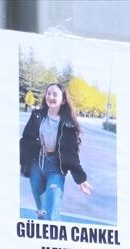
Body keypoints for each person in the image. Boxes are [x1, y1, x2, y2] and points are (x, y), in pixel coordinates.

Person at [19, 83, 92, 221]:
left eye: (55, 94)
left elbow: (71, 153)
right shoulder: (37, 116)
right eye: (48, 93)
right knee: (42, 212)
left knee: (51, 215)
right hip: (36, 166)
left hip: (55, 168)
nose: (50, 96)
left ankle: (54, 241)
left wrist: (81, 178)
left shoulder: (68, 124)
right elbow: (25, 141)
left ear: (63, 100)